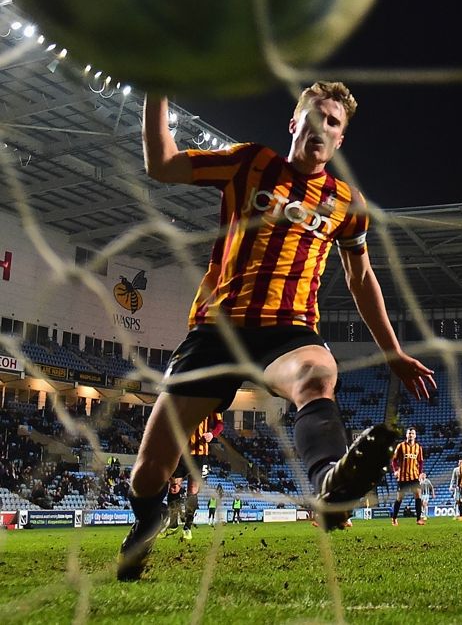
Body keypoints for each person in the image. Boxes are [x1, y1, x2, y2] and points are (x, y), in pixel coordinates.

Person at [117, 83, 436, 581]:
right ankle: (146, 521)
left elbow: (361, 278)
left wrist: (392, 351)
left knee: (317, 375)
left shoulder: (347, 203)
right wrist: (156, 91)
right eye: (316, 117)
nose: (323, 128)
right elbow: (163, 164)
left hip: (288, 332)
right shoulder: (249, 163)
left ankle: (329, 484)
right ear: (295, 123)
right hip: (216, 332)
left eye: (334, 123)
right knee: (148, 472)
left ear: (341, 140)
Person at [171, 413, 224, 542]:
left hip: (199, 454)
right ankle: (172, 524)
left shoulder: (211, 405)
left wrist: (212, 434)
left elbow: (220, 424)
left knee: (193, 490)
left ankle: (187, 527)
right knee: (173, 488)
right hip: (180, 453)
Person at [390, 427, 426, 526]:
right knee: (399, 498)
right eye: (409, 433)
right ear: (406, 435)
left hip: (414, 476)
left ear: (415, 435)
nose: (411, 435)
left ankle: (418, 519)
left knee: (418, 495)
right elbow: (394, 460)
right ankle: (394, 518)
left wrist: (420, 473)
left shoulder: (418, 447)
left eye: (412, 433)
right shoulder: (401, 446)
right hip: (403, 477)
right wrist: (395, 470)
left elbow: (420, 461)